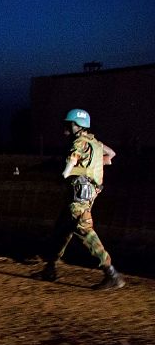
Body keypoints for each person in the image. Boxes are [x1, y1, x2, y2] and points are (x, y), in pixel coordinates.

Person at [33, 109, 124, 290]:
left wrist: (64, 173)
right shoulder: (94, 143)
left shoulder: (79, 142)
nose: (66, 127)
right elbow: (111, 155)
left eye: (69, 124)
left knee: (84, 230)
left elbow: (70, 165)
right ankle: (50, 268)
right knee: (63, 228)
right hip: (87, 191)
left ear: (77, 125)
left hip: (80, 194)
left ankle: (111, 273)